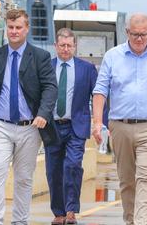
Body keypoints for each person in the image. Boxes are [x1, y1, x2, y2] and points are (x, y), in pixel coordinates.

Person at [92, 13, 147, 225]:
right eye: (135, 35)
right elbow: (100, 91)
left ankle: (143, 222)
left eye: (144, 34)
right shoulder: (113, 56)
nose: (140, 39)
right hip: (120, 127)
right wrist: (97, 122)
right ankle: (131, 220)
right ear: (127, 33)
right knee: (127, 181)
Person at [0, 8, 59, 225]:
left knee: (23, 178)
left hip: (30, 127)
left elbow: (50, 88)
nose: (14, 31)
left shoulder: (40, 57)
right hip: (0, 125)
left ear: (26, 29)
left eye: (18, 27)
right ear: (6, 29)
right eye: (10, 27)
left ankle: (20, 221)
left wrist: (43, 114)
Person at [45, 28, 98, 225]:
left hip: (76, 126)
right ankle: (58, 212)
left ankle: (71, 210)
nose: (66, 49)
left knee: (73, 166)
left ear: (75, 46)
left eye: (69, 45)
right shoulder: (47, 67)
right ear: (55, 46)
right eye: (62, 45)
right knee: (53, 170)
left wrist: (101, 123)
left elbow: (98, 97)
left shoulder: (87, 69)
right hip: (52, 127)